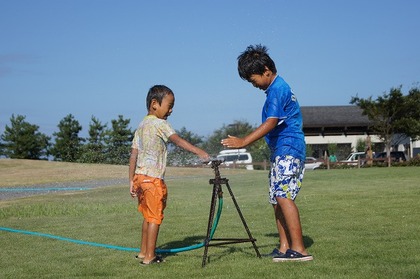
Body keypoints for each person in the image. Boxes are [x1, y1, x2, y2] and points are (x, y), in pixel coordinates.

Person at [221, 45, 313, 262]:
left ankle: (299, 249)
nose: (253, 85)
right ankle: (284, 247)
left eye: (253, 80)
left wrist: (243, 141)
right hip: (281, 150)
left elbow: (271, 122)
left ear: (266, 70)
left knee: (283, 196)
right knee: (276, 198)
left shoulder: (277, 90)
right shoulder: (275, 89)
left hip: (289, 149)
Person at [129, 85, 209, 265]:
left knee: (147, 216)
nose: (171, 110)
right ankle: (150, 257)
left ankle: (143, 252)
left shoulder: (141, 125)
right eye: (169, 105)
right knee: (155, 218)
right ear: (155, 104)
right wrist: (199, 151)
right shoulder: (160, 124)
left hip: (140, 178)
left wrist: (131, 180)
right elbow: (177, 140)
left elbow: (133, 154)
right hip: (153, 179)